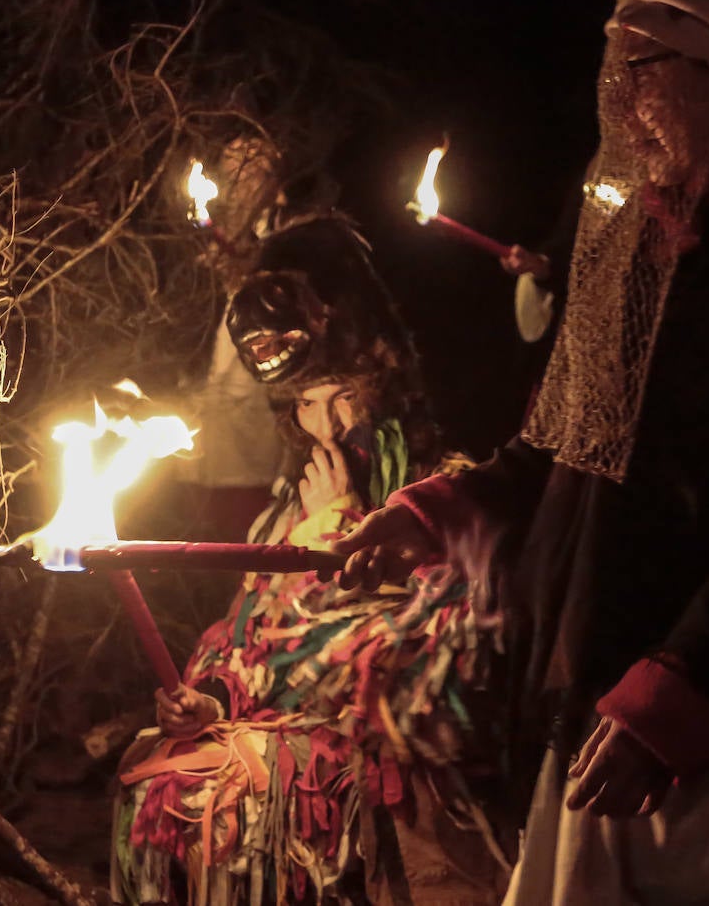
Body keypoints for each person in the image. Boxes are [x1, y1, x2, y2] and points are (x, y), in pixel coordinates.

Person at [334, 0, 709, 902]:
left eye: (642, 68)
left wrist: (687, 689)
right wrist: (446, 509)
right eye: (612, 65)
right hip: (603, 695)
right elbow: (573, 445)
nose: (617, 97)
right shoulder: (653, 230)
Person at [111, 216, 508, 905]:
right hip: (286, 735)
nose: (325, 424)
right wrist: (210, 698)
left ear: (382, 378)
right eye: (304, 402)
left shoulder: (446, 496)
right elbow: (249, 639)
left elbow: (433, 689)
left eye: (342, 395)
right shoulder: (289, 505)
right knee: (163, 780)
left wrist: (339, 533)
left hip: (385, 769)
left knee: (241, 802)